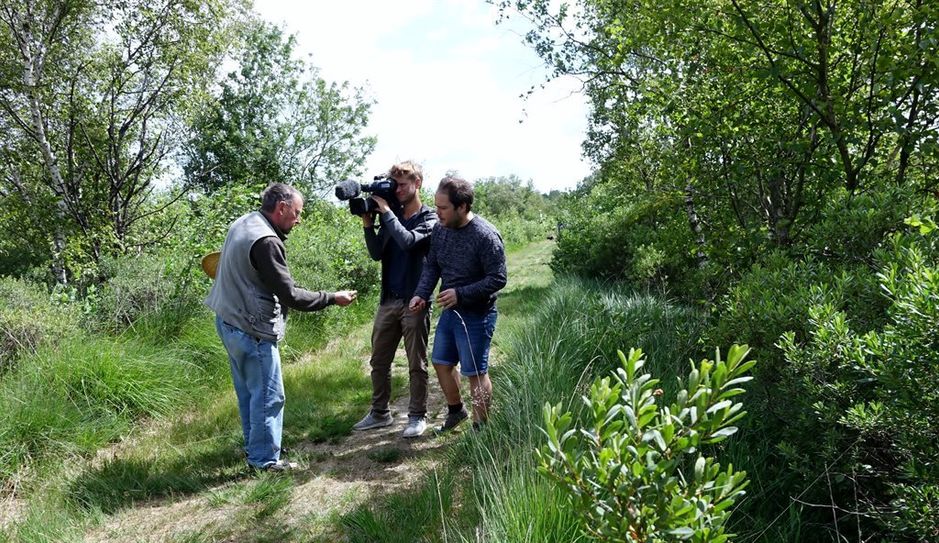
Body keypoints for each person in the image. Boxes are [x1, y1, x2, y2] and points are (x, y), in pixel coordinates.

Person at [205, 183, 357, 471]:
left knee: (250, 393)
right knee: (268, 396)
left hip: (227, 321)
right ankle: (264, 460)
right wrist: (332, 298)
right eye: (297, 213)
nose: (298, 220)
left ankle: (257, 448)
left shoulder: (244, 222)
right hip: (251, 329)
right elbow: (291, 295)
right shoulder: (267, 241)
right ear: (282, 207)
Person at [409, 175, 507, 432]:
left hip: (478, 314)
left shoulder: (485, 236)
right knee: (441, 362)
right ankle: (456, 411)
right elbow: (433, 267)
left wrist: (461, 294)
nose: (436, 213)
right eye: (436, 206)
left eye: (443, 208)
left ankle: (480, 427)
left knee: (475, 372)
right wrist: (421, 293)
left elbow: (498, 278)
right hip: (451, 312)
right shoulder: (440, 230)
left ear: (462, 207)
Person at [353, 161, 438, 438]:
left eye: (403, 184)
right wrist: (368, 224)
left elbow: (409, 242)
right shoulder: (391, 217)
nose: (397, 189)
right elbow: (378, 253)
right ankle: (380, 413)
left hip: (415, 300)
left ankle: (417, 416)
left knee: (416, 363)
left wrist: (388, 213)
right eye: (394, 184)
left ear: (418, 183)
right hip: (388, 300)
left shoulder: (430, 218)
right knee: (379, 360)